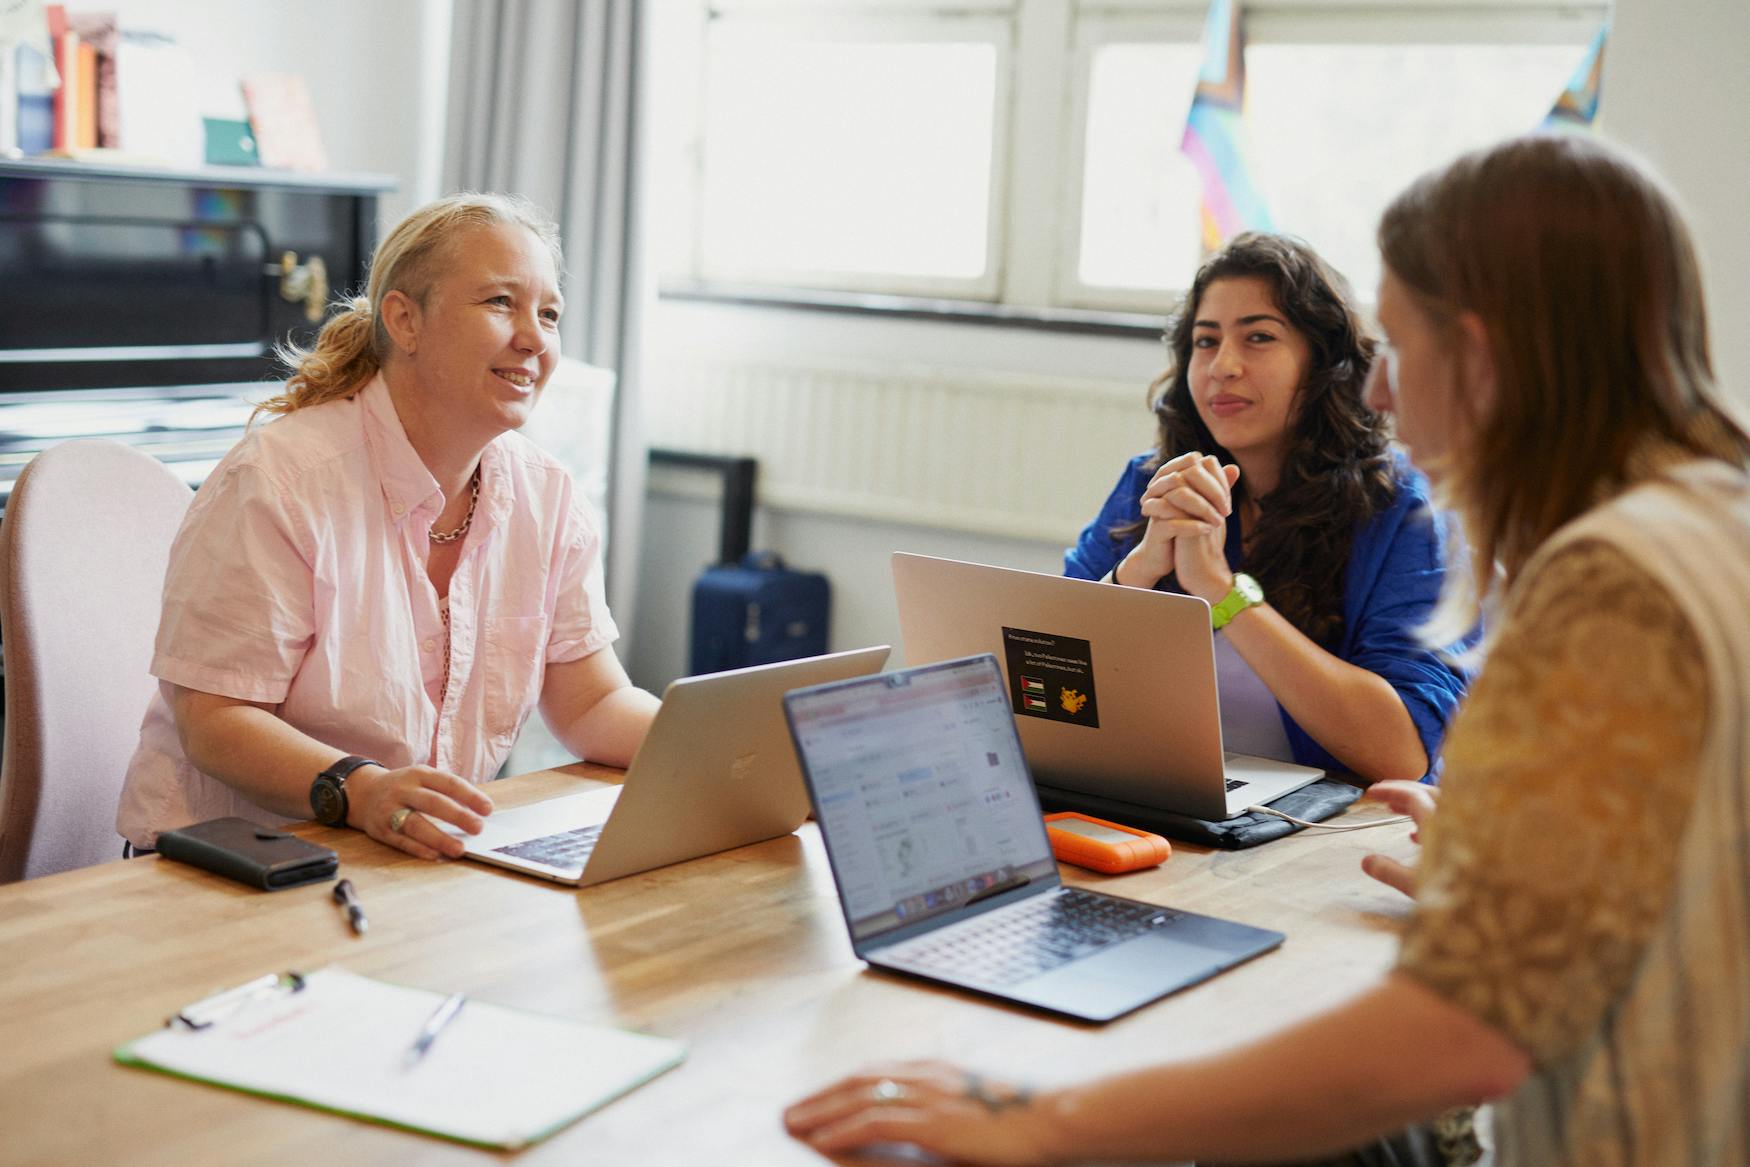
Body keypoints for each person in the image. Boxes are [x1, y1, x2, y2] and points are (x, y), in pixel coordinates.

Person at [785, 134, 1750, 1164]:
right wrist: (1514, 863)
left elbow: (1461, 1028)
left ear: (1478, 351)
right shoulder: (1707, 519)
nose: (1380, 393)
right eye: (1206, 341)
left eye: (1399, 350)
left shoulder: (1607, 588)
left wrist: (1045, 1119)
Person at [117, 192, 659, 862]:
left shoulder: (547, 496)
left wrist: (723, 746)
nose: (535, 337)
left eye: (549, 313)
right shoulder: (279, 481)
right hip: (225, 868)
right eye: (500, 302)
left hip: (406, 861)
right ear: (405, 319)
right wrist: (361, 790)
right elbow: (213, 723)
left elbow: (592, 702)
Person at [1064, 233, 1468, 782]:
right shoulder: (1151, 481)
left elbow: (1400, 751)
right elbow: (1043, 677)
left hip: (1329, 832)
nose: (1222, 366)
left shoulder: (1406, 510)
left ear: (1325, 365)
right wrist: (1139, 569)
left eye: (1258, 337)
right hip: (1167, 796)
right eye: (1205, 342)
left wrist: (1223, 592)